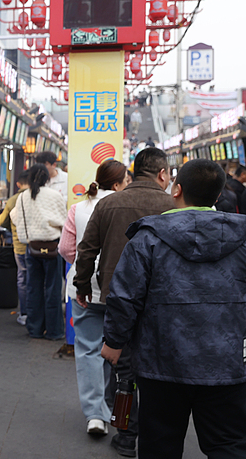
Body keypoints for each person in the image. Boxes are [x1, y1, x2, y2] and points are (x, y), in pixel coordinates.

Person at [101, 159, 246, 458]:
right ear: (217, 196)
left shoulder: (148, 237)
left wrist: (114, 341)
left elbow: (125, 295)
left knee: (160, 445)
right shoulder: (242, 238)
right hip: (226, 362)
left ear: (176, 189)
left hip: (161, 363)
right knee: (228, 445)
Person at [74, 147, 175, 457]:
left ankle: (125, 433)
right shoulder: (172, 205)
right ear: (161, 174)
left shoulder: (108, 203)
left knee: (124, 370)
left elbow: (87, 249)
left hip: (116, 294)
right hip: (162, 299)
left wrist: (82, 284)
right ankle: (155, 433)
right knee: (158, 368)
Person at [58, 160, 128, 436]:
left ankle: (94, 414)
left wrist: (80, 266)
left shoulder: (79, 207)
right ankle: (114, 407)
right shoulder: (125, 207)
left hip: (83, 288)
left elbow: (65, 248)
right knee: (116, 346)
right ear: (117, 184)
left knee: (87, 349)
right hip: (120, 290)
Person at [10, 164, 67, 340]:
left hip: (32, 248)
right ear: (46, 179)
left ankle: (34, 329)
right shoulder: (54, 195)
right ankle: (54, 331)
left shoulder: (22, 197)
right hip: (52, 249)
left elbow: (13, 216)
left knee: (34, 289)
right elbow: (63, 220)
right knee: (53, 289)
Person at [0, 169, 30, 326]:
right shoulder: (37, 197)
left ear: (18, 184)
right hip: (39, 246)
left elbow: (1, 222)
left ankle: (24, 313)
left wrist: (13, 228)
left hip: (19, 246)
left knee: (23, 278)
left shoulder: (13, 200)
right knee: (38, 279)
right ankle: (36, 313)